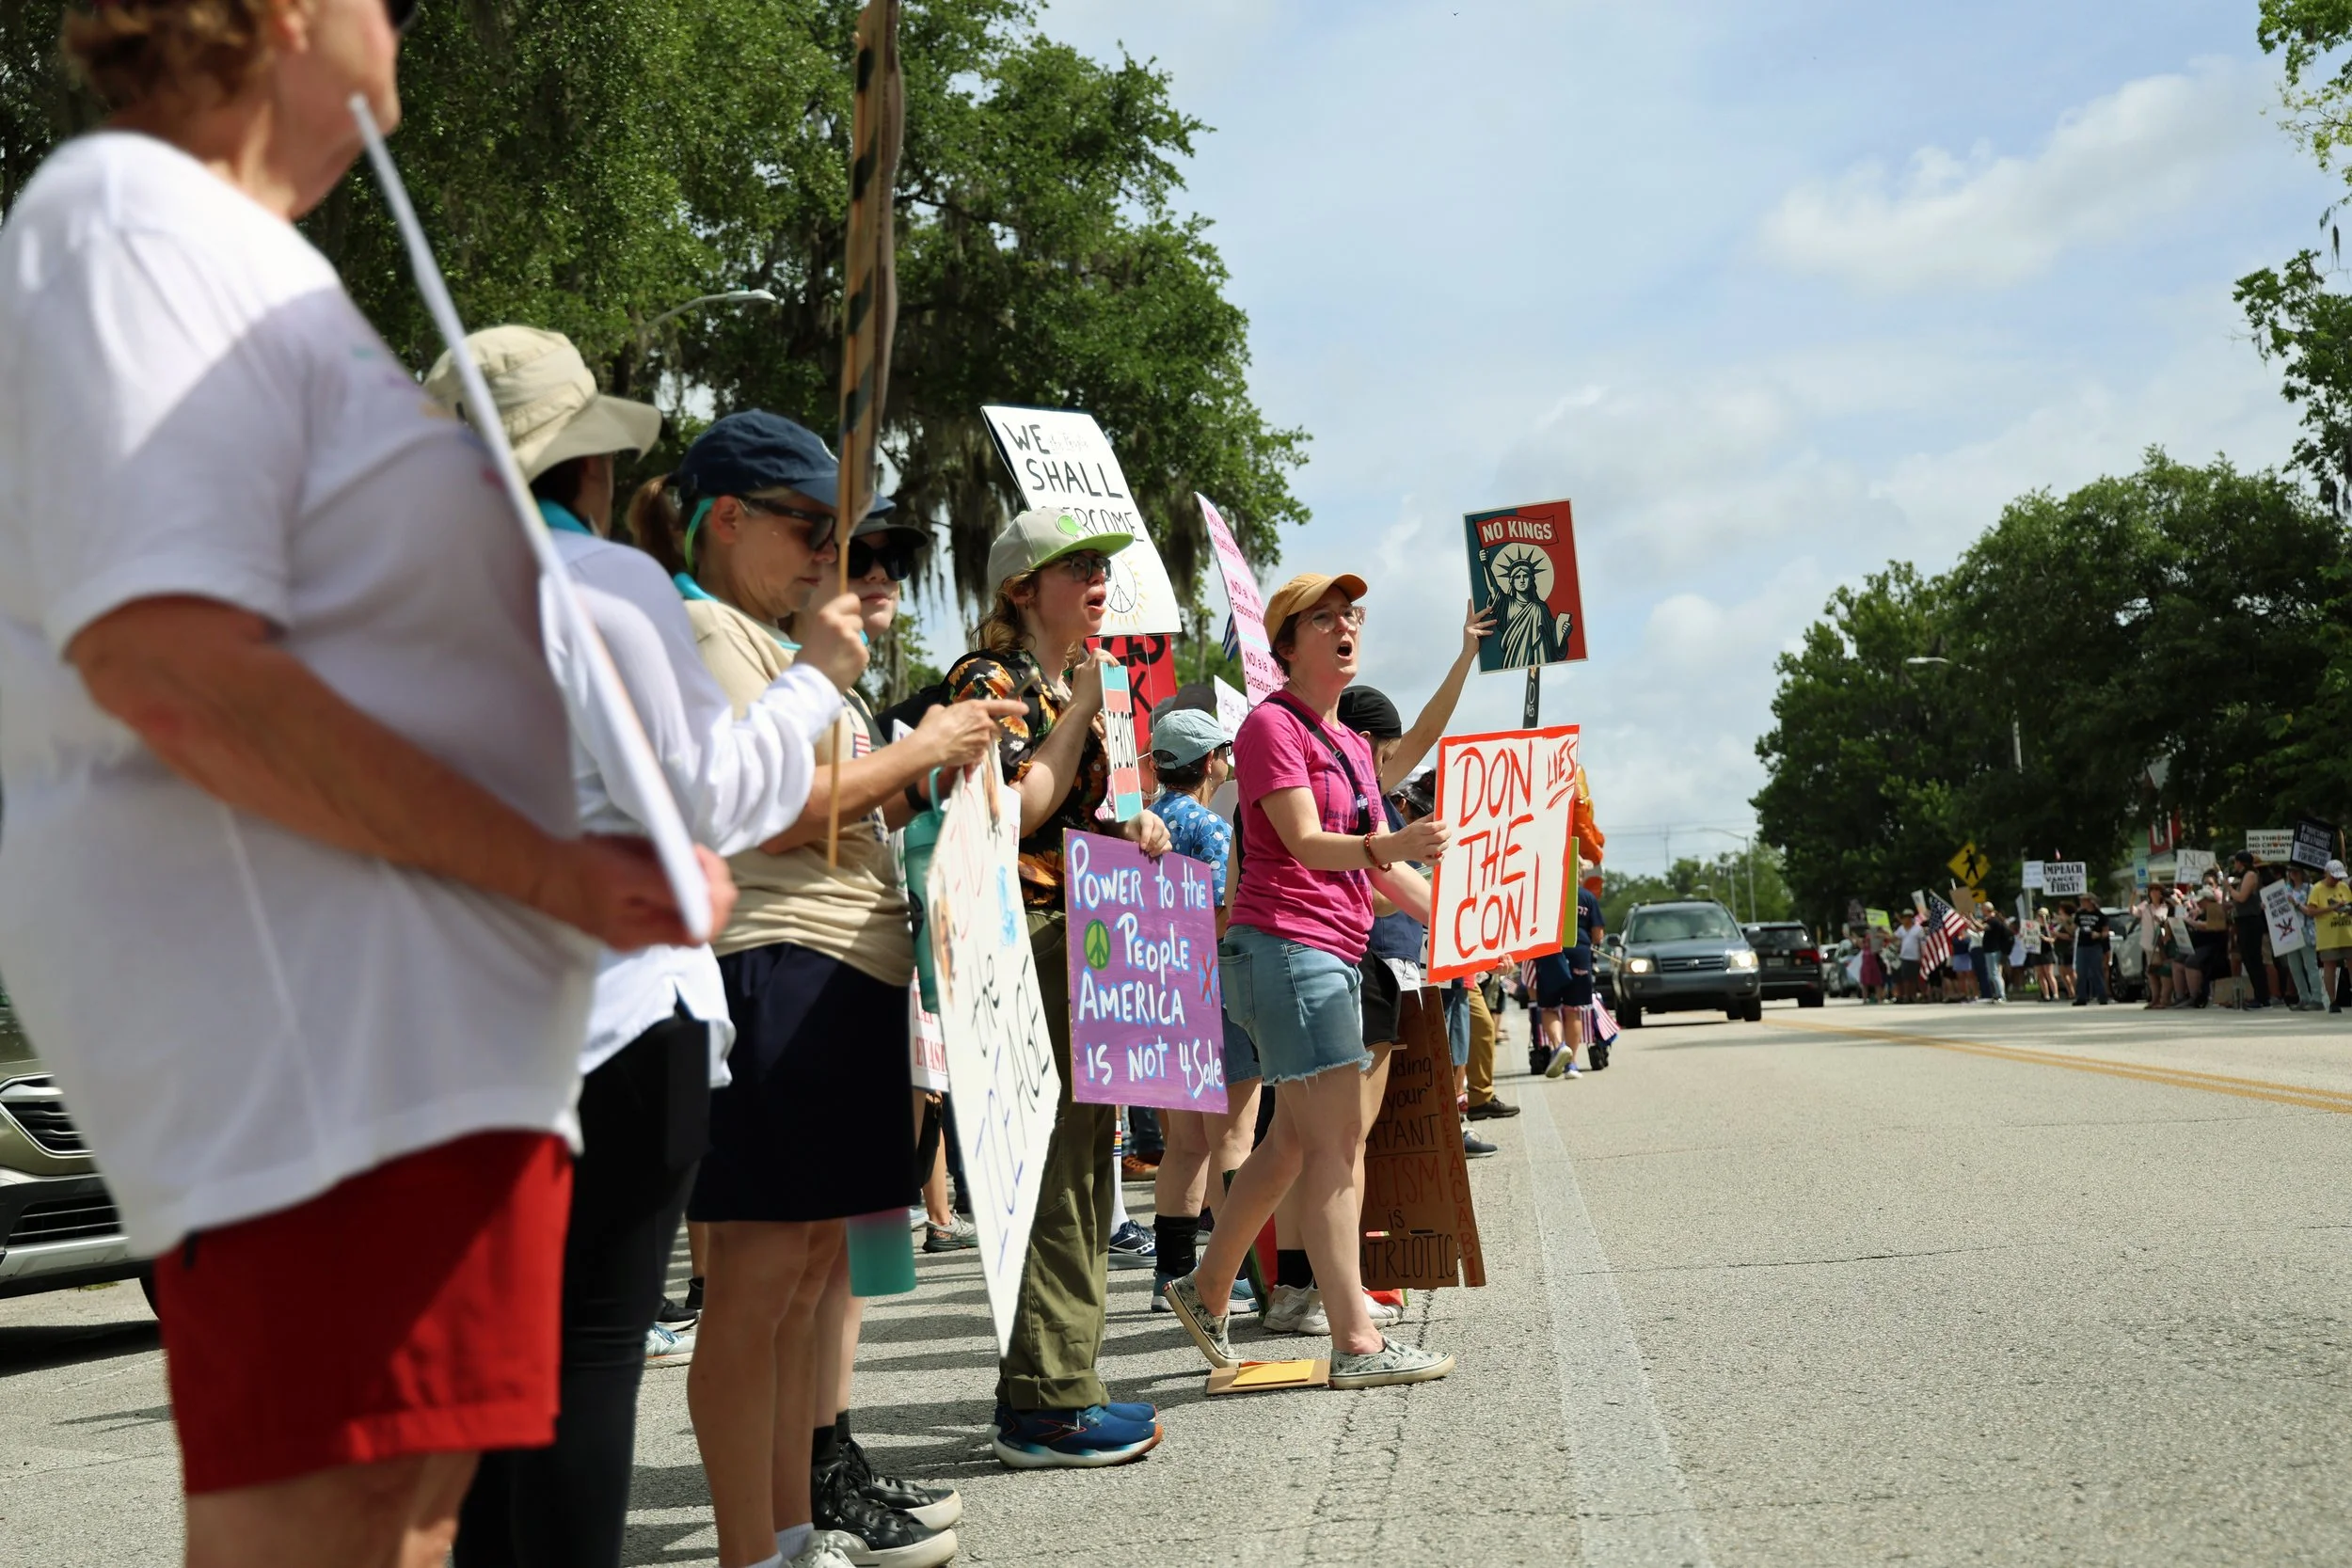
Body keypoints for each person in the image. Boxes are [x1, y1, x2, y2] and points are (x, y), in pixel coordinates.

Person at [0, 7, 733, 1564]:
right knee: (332, 1512)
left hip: (410, 1055)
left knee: (403, 1510)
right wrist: (554, 873)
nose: (397, 18)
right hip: (315, 1051)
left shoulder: (245, 258)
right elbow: (170, 661)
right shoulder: (133, 224)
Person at [422, 329, 860, 1568]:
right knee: (589, 1348)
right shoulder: (607, 587)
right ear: (594, 468)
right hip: (615, 1012)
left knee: (499, 1359)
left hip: (470, 1018)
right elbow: (708, 794)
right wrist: (816, 679)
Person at [635, 412, 1013, 1568]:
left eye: (834, 529)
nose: (826, 552)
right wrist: (924, 742)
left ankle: (795, 1527)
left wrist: (930, 768)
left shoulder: (777, 648)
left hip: (840, 961)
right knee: (756, 1276)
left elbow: (841, 811)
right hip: (775, 961)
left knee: (806, 1271)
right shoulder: (707, 628)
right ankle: (756, 1548)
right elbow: (774, 808)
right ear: (728, 518)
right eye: (807, 525)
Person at [1165, 573, 1455, 1390]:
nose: (1343, 628)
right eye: (1321, 618)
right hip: (1290, 951)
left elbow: (1383, 873)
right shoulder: (1268, 726)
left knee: (1294, 1141)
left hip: (1320, 950)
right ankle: (1357, 1341)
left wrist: (1467, 928)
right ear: (1286, 647)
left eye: (1351, 614)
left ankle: (1206, 1286)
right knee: (1333, 1143)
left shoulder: (1353, 745)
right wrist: (1390, 851)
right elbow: (1302, 841)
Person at [940, 508, 1172, 1467]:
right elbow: (1013, 809)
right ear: (1018, 589)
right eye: (1073, 565)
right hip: (1021, 932)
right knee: (1046, 1166)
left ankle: (1062, 1380)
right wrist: (1078, 707)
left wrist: (1141, 833)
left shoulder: (1095, 682)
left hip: (1087, 928)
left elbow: (1105, 812)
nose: (1095, 579)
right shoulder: (985, 680)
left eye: (1098, 565)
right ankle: (1043, 1402)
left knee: (1085, 1161)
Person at [1140, 707, 1262, 1315]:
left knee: (1184, 1144)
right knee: (1233, 1136)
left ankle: (1172, 1271)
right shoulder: (1212, 827)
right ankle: (1231, 1274)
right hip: (1211, 989)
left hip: (1160, 995)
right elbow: (1218, 913)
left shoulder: (1139, 823)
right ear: (1211, 761)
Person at [2281, 864, 2328, 1012]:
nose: (2292, 874)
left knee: (2310, 966)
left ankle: (2317, 998)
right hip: (2289, 931)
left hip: (2306, 930)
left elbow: (2311, 911)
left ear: (2302, 873)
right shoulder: (2286, 889)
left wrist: (2296, 904)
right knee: (2294, 967)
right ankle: (2304, 997)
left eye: (2295, 871)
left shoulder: (2311, 889)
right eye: (2290, 872)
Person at [2311, 860, 2352, 1012]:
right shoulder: (2317, 889)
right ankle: (2333, 1000)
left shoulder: (2344, 887)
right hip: (2328, 935)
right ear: (2326, 873)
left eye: (2338, 877)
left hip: (2346, 932)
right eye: (2334, 877)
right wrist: (2333, 908)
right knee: (2330, 965)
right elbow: (2311, 912)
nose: (2336, 880)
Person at [2070, 894, 2110, 1006]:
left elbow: (2106, 932)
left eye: (2084, 901)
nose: (2082, 903)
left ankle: (2102, 996)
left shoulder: (2101, 916)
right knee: (2081, 972)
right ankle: (2081, 997)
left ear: (2091, 901)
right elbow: (2072, 929)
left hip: (2095, 947)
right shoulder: (2079, 914)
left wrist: (2099, 935)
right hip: (2082, 946)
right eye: (2081, 901)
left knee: (2096, 972)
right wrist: (2065, 922)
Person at [1896, 911, 1924, 1003]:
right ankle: (1907, 996)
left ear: (1910, 918)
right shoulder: (1901, 929)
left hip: (1915, 957)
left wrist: (1921, 956)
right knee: (1906, 978)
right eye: (1903, 917)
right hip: (1904, 957)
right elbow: (1894, 938)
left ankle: (1913, 995)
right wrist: (1883, 934)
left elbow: (1922, 943)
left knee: (1914, 978)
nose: (1904, 919)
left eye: (1906, 917)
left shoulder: (1918, 929)